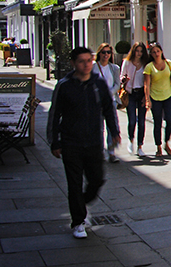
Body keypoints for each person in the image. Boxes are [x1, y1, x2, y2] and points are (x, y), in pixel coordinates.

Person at [46, 46, 121, 239]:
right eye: (82, 61)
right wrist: (54, 141)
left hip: (94, 141)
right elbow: (54, 115)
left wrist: (114, 131)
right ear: (73, 63)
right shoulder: (65, 85)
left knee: (97, 179)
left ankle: (82, 203)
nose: (86, 64)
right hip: (71, 142)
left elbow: (108, 109)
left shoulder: (98, 83)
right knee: (74, 183)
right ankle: (78, 221)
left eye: (89, 60)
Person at [144, 42, 171, 159]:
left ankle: (166, 142)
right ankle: (158, 146)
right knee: (157, 122)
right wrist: (147, 99)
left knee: (170, 119)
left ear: (161, 52)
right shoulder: (149, 67)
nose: (156, 54)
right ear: (151, 54)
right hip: (155, 97)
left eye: (158, 51)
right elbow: (147, 84)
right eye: (153, 52)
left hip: (168, 95)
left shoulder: (168, 63)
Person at [93, 43, 122, 162]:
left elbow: (117, 84)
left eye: (108, 52)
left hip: (111, 101)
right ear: (99, 53)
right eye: (103, 52)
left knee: (112, 127)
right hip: (96, 102)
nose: (106, 55)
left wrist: (108, 93)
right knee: (99, 128)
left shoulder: (114, 68)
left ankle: (111, 152)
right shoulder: (93, 67)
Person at [120, 42, 149, 157]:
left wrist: (146, 96)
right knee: (132, 120)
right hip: (131, 94)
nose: (139, 53)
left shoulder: (145, 63)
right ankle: (131, 140)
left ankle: (140, 146)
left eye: (141, 51)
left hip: (141, 93)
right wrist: (124, 79)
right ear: (133, 51)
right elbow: (121, 76)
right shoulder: (127, 62)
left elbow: (148, 79)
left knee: (141, 122)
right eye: (137, 51)